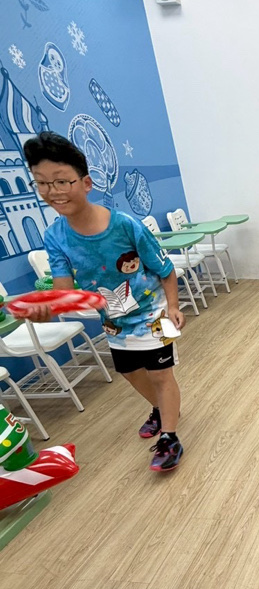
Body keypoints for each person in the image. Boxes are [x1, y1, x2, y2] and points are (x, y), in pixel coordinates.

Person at [22, 131, 186, 472]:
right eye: (42, 183)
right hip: (113, 320)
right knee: (129, 372)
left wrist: (173, 306)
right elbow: (64, 292)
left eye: (61, 181)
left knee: (161, 375)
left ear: (87, 183)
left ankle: (170, 436)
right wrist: (44, 310)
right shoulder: (55, 236)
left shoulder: (125, 225)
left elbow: (165, 269)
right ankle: (160, 409)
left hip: (153, 311)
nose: (53, 191)